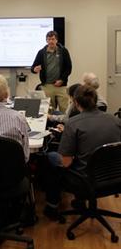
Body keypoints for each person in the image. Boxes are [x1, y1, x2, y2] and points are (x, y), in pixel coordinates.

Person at [44, 85, 121, 219]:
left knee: (49, 156)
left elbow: (66, 163)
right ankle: (79, 202)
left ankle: (52, 206)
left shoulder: (73, 124)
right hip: (114, 177)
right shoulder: (115, 121)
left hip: (85, 180)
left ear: (75, 103)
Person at [31, 31, 72, 113]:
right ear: (46, 40)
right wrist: (34, 69)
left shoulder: (63, 51)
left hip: (61, 86)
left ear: (56, 40)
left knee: (65, 109)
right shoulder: (41, 52)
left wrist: (62, 80)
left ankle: (64, 125)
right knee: (49, 110)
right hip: (47, 86)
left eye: (53, 39)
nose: (51, 41)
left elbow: (69, 67)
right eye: (49, 39)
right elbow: (33, 67)